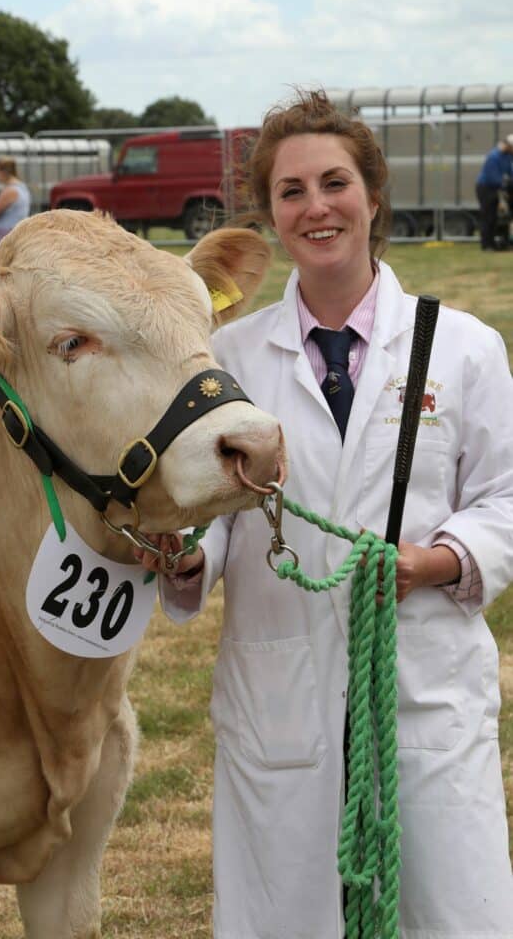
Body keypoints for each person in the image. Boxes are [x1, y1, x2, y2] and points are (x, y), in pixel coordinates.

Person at [141, 91, 513, 938]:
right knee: (284, 913)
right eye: (291, 191)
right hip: (283, 691)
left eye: (334, 182)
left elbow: (505, 495)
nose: (316, 207)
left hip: (420, 684)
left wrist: (441, 560)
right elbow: (217, 509)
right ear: (270, 216)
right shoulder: (232, 356)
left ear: (372, 196)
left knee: (452, 912)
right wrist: (188, 556)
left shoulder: (460, 347)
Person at [0, 157, 31, 253]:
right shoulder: (22, 186)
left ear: (3, 172)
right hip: (15, 234)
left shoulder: (10, 190)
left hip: (6, 237)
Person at [475, 134, 513, 251]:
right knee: (488, 216)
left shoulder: (507, 156)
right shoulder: (494, 157)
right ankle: (486, 245)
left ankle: (497, 243)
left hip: (496, 187)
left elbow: (509, 171)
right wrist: (505, 186)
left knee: (497, 218)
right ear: (508, 145)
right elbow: (493, 178)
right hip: (486, 188)